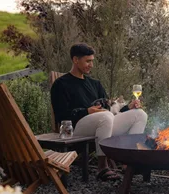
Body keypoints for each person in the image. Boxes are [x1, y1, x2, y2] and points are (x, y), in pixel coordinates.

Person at [51, 43, 148, 181]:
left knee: (140, 114)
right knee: (105, 116)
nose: (91, 65)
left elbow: (109, 109)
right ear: (75, 60)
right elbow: (61, 115)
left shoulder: (95, 84)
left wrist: (128, 108)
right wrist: (87, 111)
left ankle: (129, 162)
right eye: (88, 61)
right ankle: (102, 167)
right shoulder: (61, 84)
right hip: (75, 127)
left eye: (92, 61)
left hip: (103, 124)